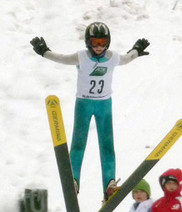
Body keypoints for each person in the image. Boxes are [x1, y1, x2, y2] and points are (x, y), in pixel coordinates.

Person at [30, 23, 149, 200]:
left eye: (103, 42)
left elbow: (126, 59)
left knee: (107, 146)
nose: (99, 47)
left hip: (104, 105)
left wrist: (136, 50)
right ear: (88, 42)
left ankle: (109, 184)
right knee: (78, 144)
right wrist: (44, 51)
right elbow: (61, 58)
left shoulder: (112, 57)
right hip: (84, 104)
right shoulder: (81, 57)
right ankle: (74, 179)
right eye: (95, 42)